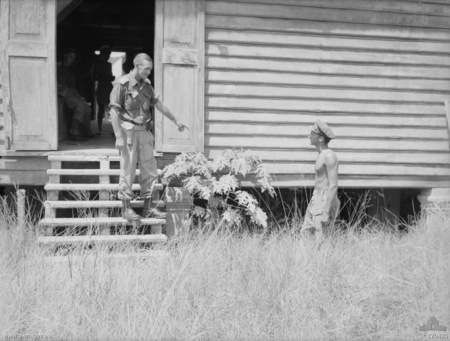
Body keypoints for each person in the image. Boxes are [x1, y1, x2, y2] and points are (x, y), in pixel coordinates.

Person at [109, 53, 188, 221]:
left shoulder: (147, 86)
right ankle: (126, 209)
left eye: (150, 69)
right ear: (136, 67)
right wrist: (118, 136)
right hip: (128, 133)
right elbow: (114, 112)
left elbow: (158, 104)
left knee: (150, 171)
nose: (148, 72)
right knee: (127, 171)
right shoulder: (122, 85)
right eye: (146, 69)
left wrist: (176, 120)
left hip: (145, 133)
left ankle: (149, 208)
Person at [301, 120, 340, 243]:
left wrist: (326, 211)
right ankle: (306, 261)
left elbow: (333, 186)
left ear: (320, 138)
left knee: (320, 239)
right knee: (305, 234)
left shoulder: (329, 156)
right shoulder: (321, 154)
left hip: (324, 199)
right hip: (316, 197)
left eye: (312, 134)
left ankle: (322, 261)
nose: (309, 136)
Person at [57, 48, 95, 140]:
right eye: (70, 57)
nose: (72, 60)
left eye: (73, 58)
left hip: (69, 93)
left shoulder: (69, 70)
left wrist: (79, 96)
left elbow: (72, 87)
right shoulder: (57, 67)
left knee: (88, 109)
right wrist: (62, 88)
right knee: (81, 106)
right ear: (65, 56)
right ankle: (73, 132)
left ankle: (85, 131)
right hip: (61, 93)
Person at [92, 46, 115, 132]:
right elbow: (93, 77)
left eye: (108, 55)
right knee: (101, 107)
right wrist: (103, 77)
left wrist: (110, 77)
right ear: (102, 55)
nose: (107, 57)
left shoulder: (109, 64)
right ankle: (99, 127)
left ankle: (114, 128)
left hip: (108, 86)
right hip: (102, 86)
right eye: (106, 55)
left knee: (112, 106)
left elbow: (110, 76)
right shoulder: (97, 64)